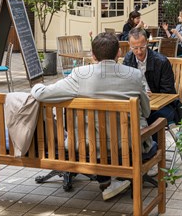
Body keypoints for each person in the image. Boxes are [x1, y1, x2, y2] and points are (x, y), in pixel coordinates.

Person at [31, 32, 152, 201]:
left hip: (87, 144)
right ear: (118, 53)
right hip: (128, 145)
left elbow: (42, 94)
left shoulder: (79, 74)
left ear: (93, 55)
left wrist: (36, 86)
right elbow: (146, 112)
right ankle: (118, 179)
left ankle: (108, 181)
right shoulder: (134, 74)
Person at [123, 27, 181, 127]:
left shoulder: (161, 62)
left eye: (142, 47)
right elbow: (125, 85)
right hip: (140, 105)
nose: (139, 52)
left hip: (163, 106)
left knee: (147, 121)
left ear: (147, 42)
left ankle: (148, 142)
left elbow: (168, 92)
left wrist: (151, 95)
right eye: (135, 48)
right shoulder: (128, 59)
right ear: (129, 45)